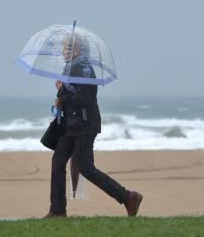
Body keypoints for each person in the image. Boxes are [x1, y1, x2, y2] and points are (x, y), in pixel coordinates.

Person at [44, 34, 143, 218]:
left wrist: (61, 91)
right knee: (58, 162)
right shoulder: (69, 69)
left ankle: (128, 197)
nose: (63, 52)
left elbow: (85, 99)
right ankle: (57, 210)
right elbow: (70, 98)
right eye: (63, 48)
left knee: (86, 168)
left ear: (77, 49)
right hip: (69, 125)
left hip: (84, 125)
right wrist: (59, 101)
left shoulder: (85, 70)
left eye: (67, 48)